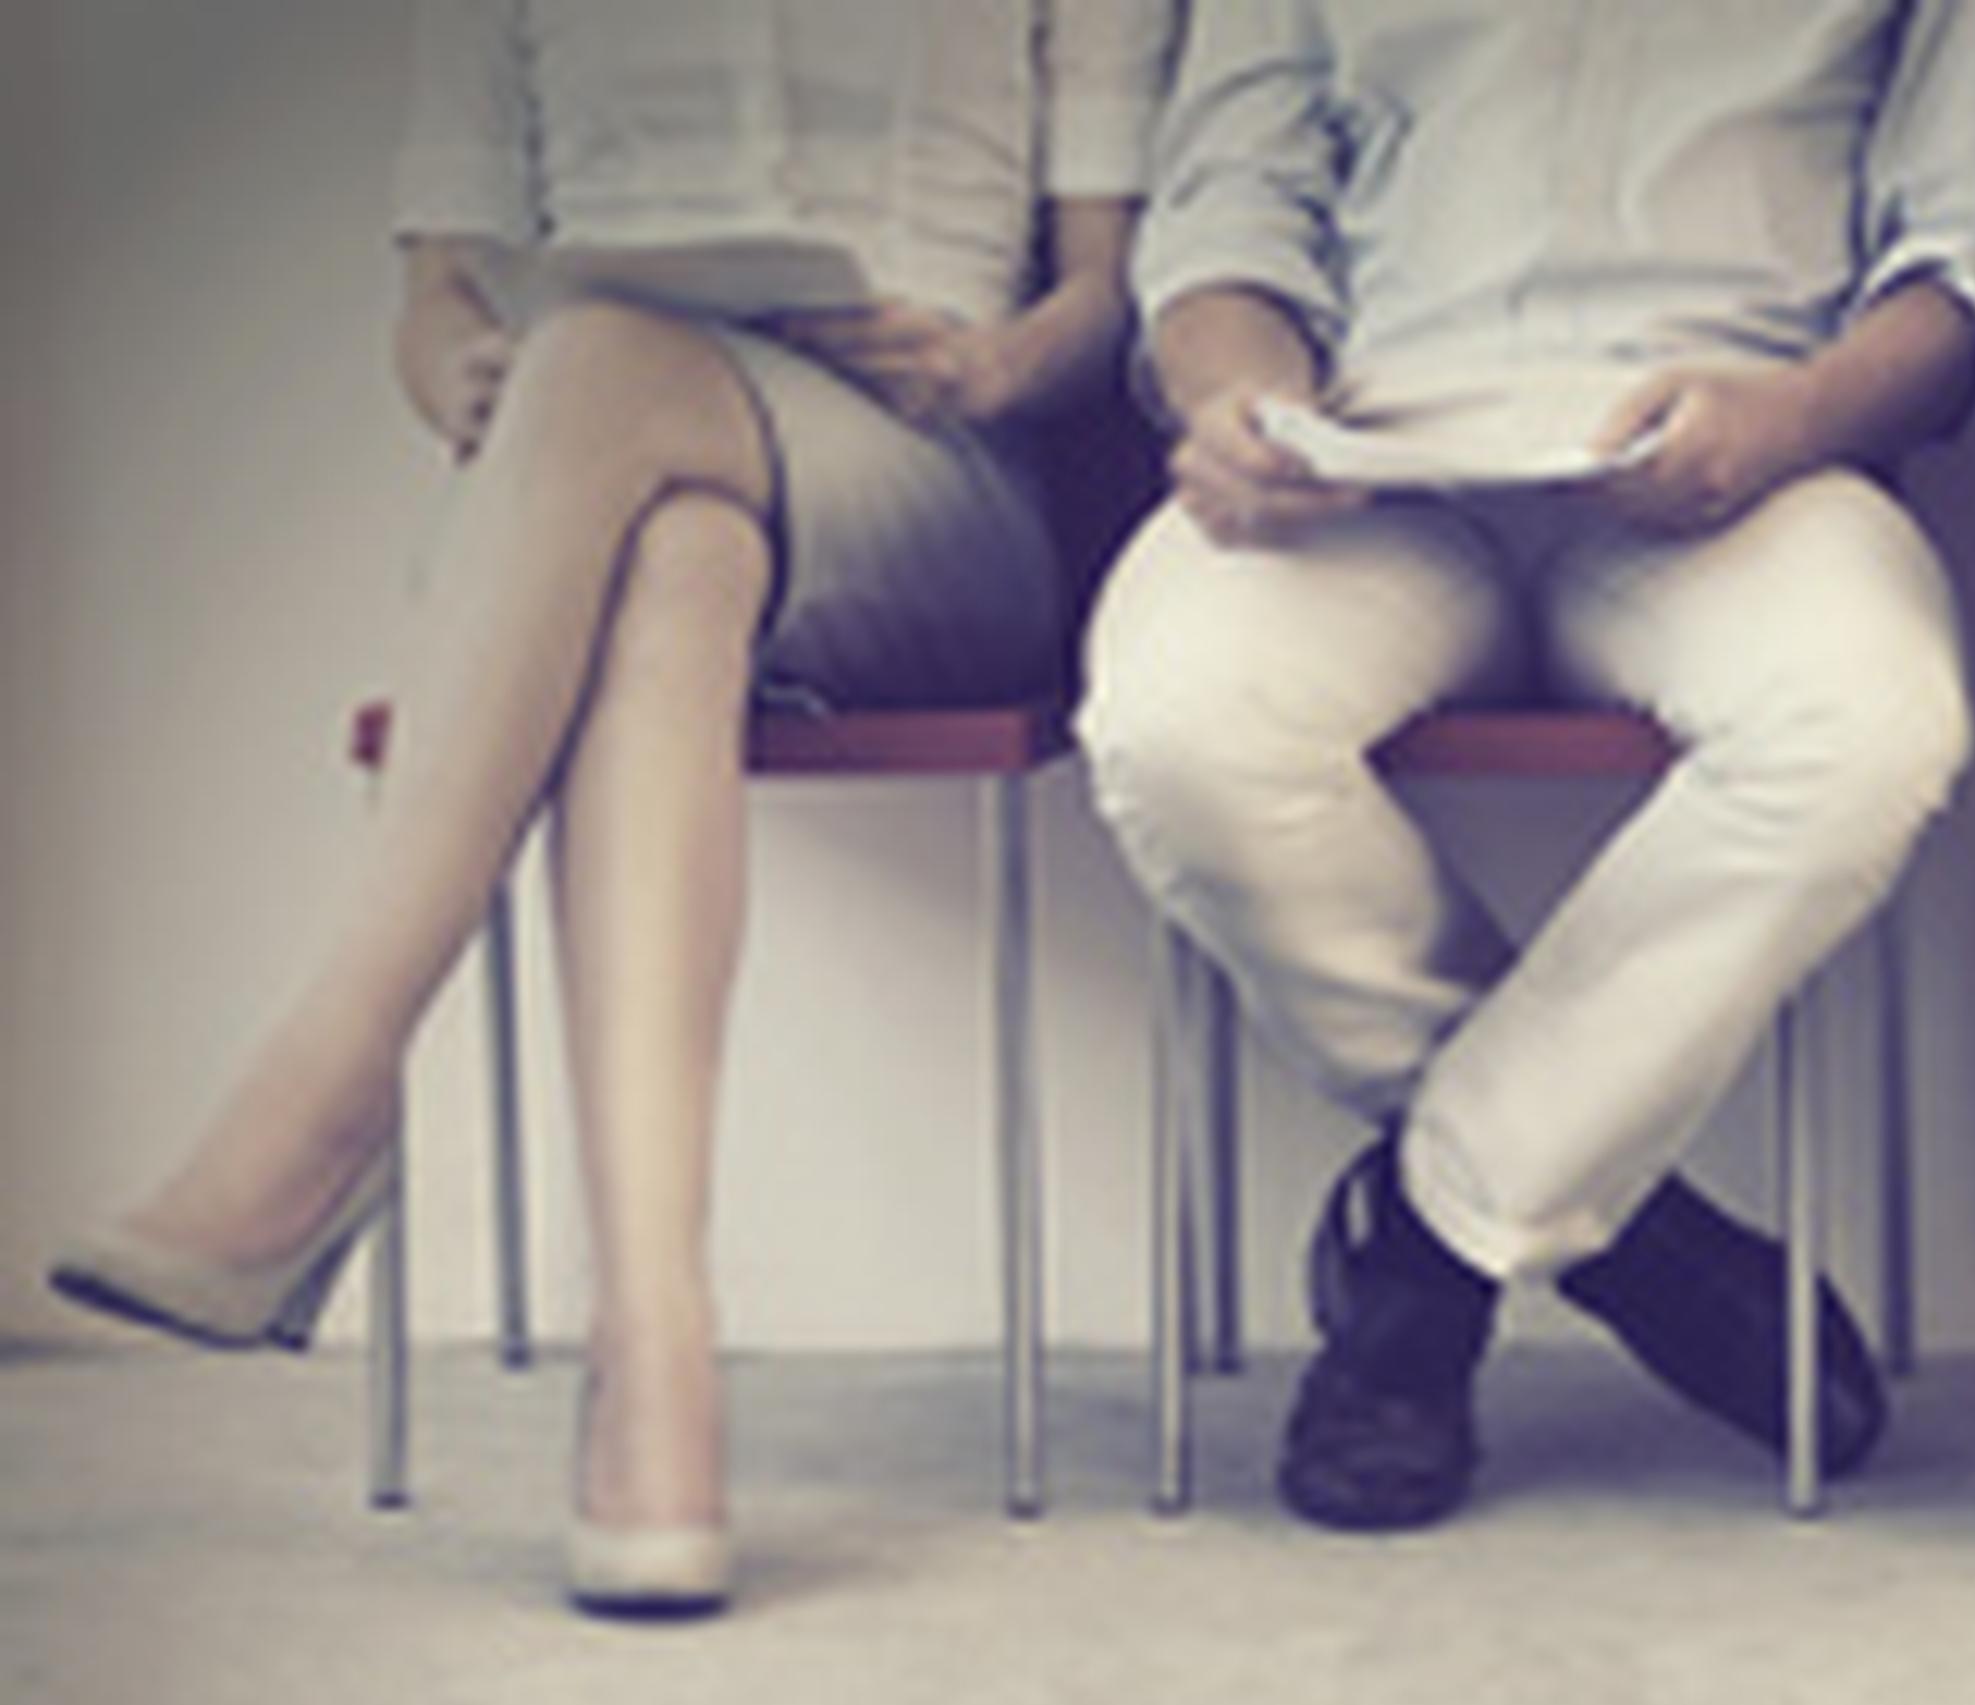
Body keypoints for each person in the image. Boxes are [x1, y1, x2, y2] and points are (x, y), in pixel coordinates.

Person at [49, 0, 1176, 1615]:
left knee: (606, 373)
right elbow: (435, 296)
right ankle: (653, 1370)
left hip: (935, 493)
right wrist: (464, 372)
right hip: (603, 485)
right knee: (673, 554)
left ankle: (329, 1091)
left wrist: (986, 357)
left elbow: (1105, 290)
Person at [1078, 0, 1975, 1534]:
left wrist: (1791, 415)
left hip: (1738, 452)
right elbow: (1228, 206)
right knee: (1176, 716)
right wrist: (1238, 402)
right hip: (1370, 456)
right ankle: (1611, 1226)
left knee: (1871, 710)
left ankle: (1422, 1263)